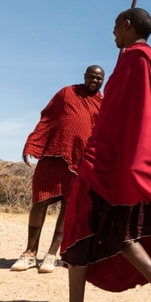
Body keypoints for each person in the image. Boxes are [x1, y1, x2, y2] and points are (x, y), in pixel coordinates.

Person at [29, 8, 151, 302]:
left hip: (108, 164)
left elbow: (119, 118)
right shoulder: (147, 60)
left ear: (128, 25)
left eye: (116, 26)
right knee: (115, 231)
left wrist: (100, 155)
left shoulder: (135, 60)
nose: (113, 32)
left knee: (79, 228)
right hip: (126, 164)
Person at [14, 65, 104, 273]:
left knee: (68, 206)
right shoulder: (67, 93)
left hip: (79, 161)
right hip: (53, 155)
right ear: (84, 76)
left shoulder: (102, 104)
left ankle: (52, 254)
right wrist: (33, 142)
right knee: (39, 202)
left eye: (99, 79)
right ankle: (29, 253)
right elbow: (47, 118)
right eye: (92, 77)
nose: (95, 81)